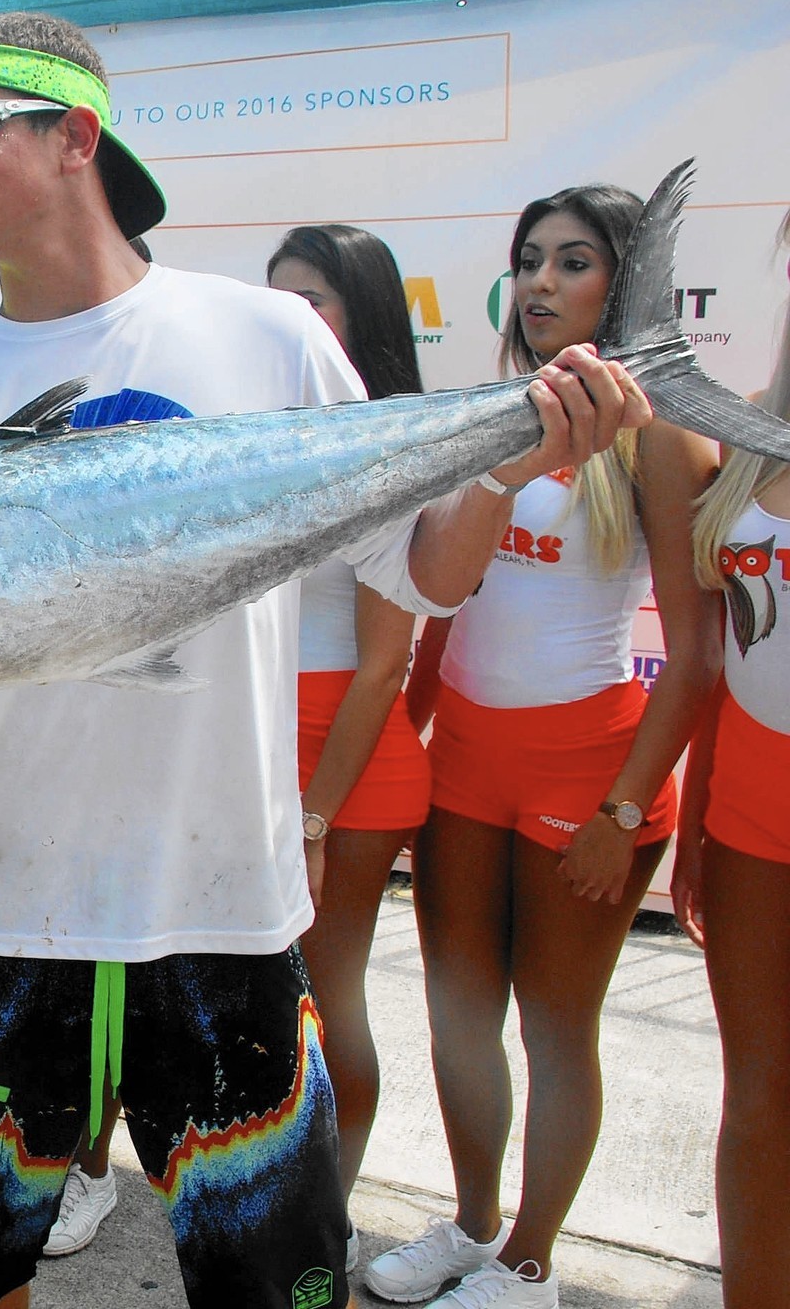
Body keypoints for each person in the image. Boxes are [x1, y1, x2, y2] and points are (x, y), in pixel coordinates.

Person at [0, 13, 646, 1309]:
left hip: (224, 926)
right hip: (1, 928)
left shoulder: (266, 340)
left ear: (74, 136)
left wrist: (513, 459)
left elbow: (424, 572)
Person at [368, 186, 717, 1309]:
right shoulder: (485, 412)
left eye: (571, 262)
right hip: (462, 761)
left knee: (555, 1029)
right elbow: (440, 603)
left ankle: (529, 1262)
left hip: (588, 772)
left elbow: (697, 654)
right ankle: (470, 1228)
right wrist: (403, 748)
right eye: (527, 260)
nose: (537, 283)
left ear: (625, 286)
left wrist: (625, 812)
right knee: (456, 1010)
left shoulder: (657, 431)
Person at [263, 224, 432, 1266]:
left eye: (312, 299)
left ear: (358, 315)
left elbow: (383, 665)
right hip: (257, 743)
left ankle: (330, 1207)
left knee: (328, 1001)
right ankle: (269, 1195)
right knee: (260, 1010)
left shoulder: (387, 443)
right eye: (275, 298)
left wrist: (314, 816)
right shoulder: (261, 435)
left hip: (345, 764)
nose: (290, 318)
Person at [671, 222, 790, 1309]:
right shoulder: (747, 436)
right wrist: (695, 820)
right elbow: (715, 659)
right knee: (758, 1103)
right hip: (751, 824)